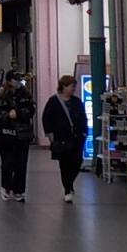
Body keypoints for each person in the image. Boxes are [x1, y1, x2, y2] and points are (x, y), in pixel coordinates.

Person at [42, 74, 89, 202]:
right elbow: (47, 118)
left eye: (74, 86)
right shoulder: (53, 102)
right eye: (71, 86)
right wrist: (50, 135)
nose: (73, 89)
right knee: (64, 164)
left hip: (77, 137)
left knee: (77, 161)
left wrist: (84, 132)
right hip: (61, 138)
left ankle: (69, 183)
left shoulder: (77, 102)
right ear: (63, 86)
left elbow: (83, 117)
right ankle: (68, 188)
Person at [0, 70, 36, 201]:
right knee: (7, 162)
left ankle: (19, 190)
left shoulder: (25, 94)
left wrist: (19, 113)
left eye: (19, 79)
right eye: (16, 79)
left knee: (21, 163)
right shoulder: (1, 95)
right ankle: (6, 187)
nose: (18, 82)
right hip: (6, 134)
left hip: (22, 133)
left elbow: (31, 109)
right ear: (9, 80)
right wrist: (7, 115)